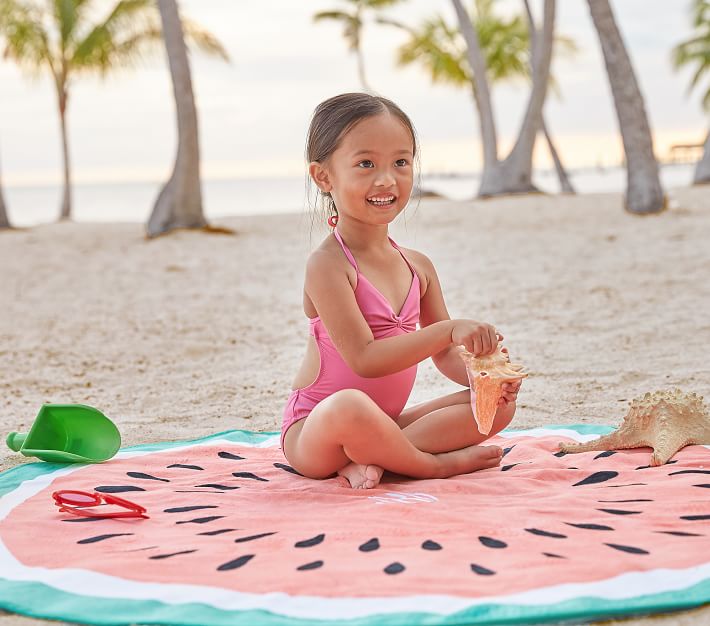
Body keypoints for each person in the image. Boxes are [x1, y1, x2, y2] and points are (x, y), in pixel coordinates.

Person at [281, 92, 522, 490]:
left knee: (496, 407)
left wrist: (483, 377)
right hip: (318, 431)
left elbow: (444, 355)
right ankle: (433, 466)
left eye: (401, 162)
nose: (387, 179)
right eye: (365, 163)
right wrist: (448, 330)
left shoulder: (418, 265)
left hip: (385, 425)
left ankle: (382, 457)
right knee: (349, 406)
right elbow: (365, 359)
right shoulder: (327, 265)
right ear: (324, 177)